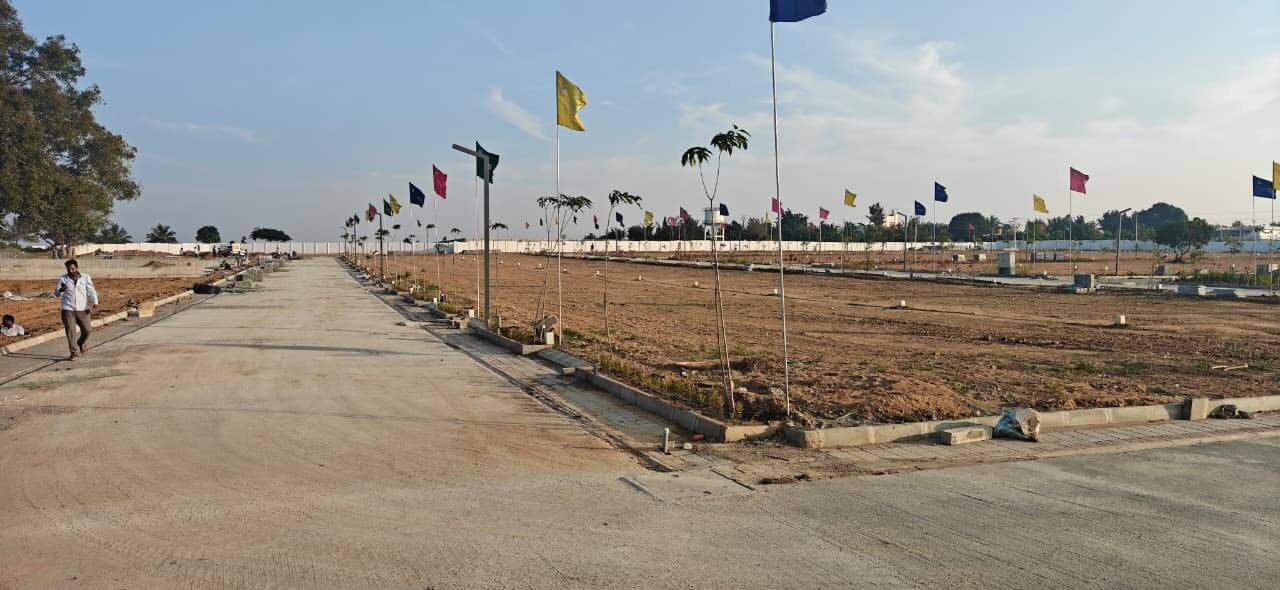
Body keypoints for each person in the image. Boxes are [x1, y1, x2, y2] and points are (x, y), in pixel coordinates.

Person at [54, 258, 97, 360]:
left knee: (87, 330)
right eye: (69, 269)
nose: (71, 271)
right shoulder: (63, 278)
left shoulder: (85, 277)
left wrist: (95, 302)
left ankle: (81, 342)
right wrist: (61, 290)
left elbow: (91, 290)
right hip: (68, 308)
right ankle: (73, 352)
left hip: (83, 308)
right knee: (70, 330)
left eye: (72, 269)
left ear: (77, 268)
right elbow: (56, 293)